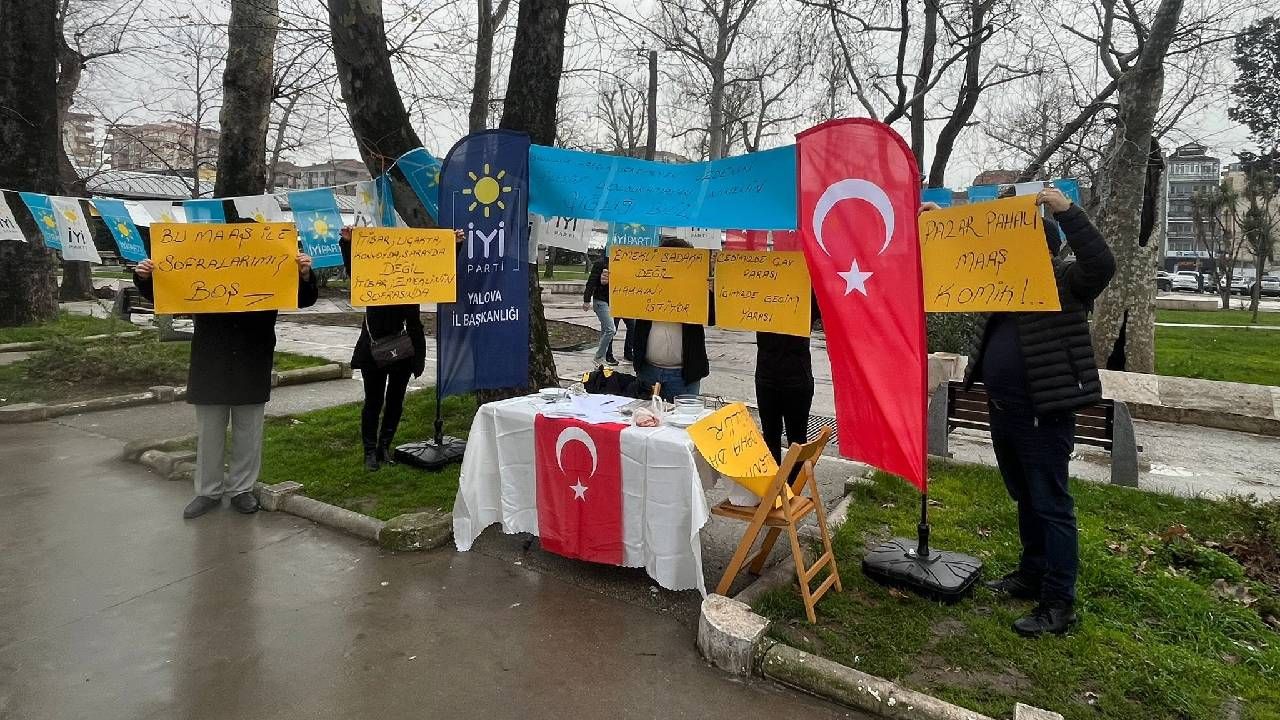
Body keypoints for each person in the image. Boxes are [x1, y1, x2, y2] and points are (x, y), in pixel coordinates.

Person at [945, 186, 1115, 637]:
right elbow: (960, 254)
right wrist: (938, 219)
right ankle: (1031, 573)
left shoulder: (1065, 280)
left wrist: (1067, 211)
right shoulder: (999, 281)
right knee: (1025, 497)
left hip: (1043, 413)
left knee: (1051, 504)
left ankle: (1059, 603)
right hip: (1005, 411)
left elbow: (1102, 264)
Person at [132, 251, 318, 519]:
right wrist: (145, 278)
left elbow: (304, 298)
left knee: (248, 431)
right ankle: (208, 492)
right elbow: (171, 292)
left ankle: (242, 490)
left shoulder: (271, 259)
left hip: (252, 356)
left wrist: (304, 275)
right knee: (209, 432)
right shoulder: (205, 256)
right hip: (211, 358)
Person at [340, 228, 427, 471]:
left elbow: (439, 272)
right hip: (373, 350)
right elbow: (355, 268)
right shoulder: (372, 276)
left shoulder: (412, 281)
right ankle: (370, 451)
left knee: (395, 400)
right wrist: (347, 243)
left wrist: (456, 245)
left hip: (403, 351)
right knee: (374, 400)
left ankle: (384, 447)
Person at [631, 237, 712, 401]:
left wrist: (710, 294)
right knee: (645, 416)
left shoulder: (697, 288)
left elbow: (712, 318)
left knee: (682, 418)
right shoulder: (645, 285)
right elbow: (621, 305)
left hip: (683, 376)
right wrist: (609, 283)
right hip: (647, 372)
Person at [755, 297, 819, 461]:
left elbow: (824, 309)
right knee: (770, 438)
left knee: (797, 441)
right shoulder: (760, 289)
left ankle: (794, 479)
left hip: (796, 378)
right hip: (767, 376)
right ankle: (774, 478)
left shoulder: (806, 290)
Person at [582, 254, 618, 366]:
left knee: (605, 331)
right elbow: (591, 282)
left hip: (612, 301)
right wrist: (586, 300)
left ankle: (601, 359)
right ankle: (598, 357)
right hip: (600, 301)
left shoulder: (621, 263)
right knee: (610, 329)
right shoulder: (601, 263)